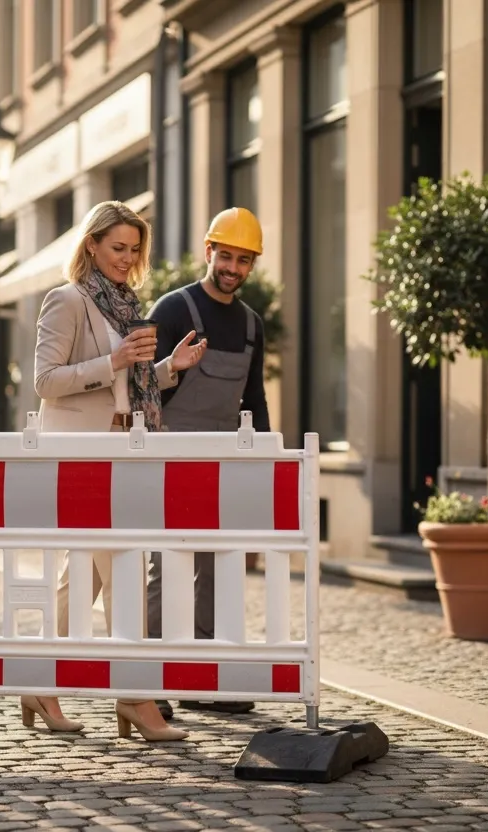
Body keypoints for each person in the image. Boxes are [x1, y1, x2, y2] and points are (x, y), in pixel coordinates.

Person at [32, 199, 206, 741]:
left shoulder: (124, 305)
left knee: (80, 576)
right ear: (92, 245)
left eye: (135, 250)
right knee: (124, 571)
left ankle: (39, 682)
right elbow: (46, 381)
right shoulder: (67, 301)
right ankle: (136, 697)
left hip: (123, 447)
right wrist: (115, 359)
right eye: (117, 248)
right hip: (86, 455)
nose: (127, 259)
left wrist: (166, 368)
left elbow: (126, 383)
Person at [146, 206, 271, 720]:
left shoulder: (250, 325)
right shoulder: (172, 309)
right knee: (167, 567)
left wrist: (264, 457)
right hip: (168, 457)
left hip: (223, 464)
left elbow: (255, 399)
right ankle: (150, 680)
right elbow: (136, 384)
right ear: (208, 251)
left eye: (244, 261)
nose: (233, 268)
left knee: (218, 569)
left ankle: (205, 679)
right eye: (227, 256)